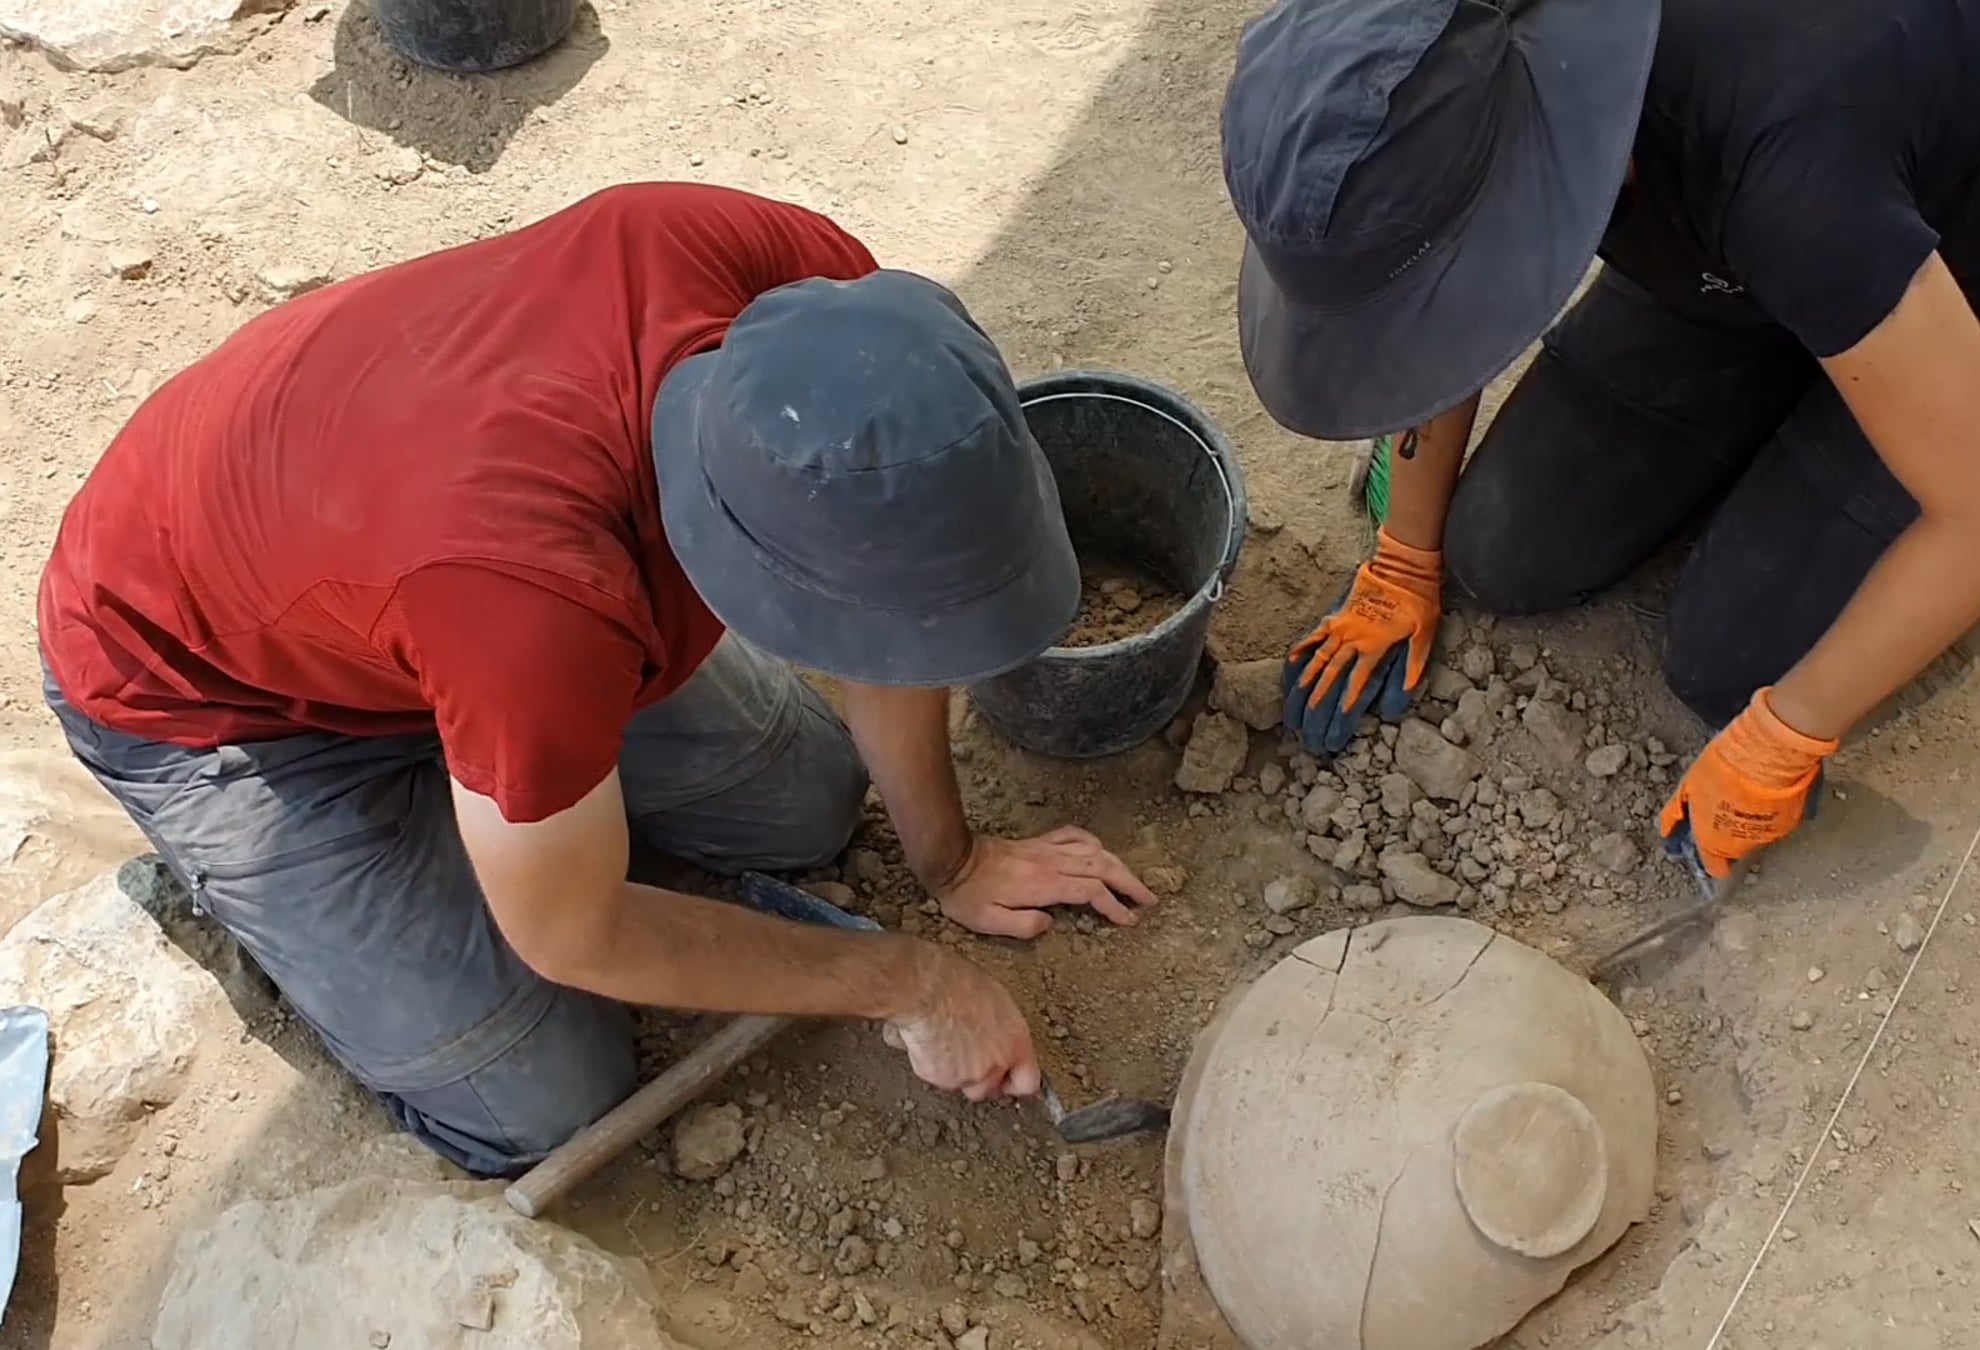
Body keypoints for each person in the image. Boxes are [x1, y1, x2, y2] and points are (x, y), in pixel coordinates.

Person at [35, 181, 1159, 1178]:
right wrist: (910, 982)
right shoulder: (534, 604)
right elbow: (573, 934)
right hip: (211, 695)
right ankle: (397, 859)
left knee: (812, 803)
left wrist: (950, 861)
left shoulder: (834, 321)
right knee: (547, 1096)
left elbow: (887, 619)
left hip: (411, 585)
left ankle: (491, 794)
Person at [1219, 0, 1980, 878]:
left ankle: (1853, 399)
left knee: (1733, 661)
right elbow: (1438, 308)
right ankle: (1806, 368)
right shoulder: (1472, 57)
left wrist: (1785, 738)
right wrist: (1402, 559)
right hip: (1751, 255)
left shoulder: (1791, 163)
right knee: (1501, 549)